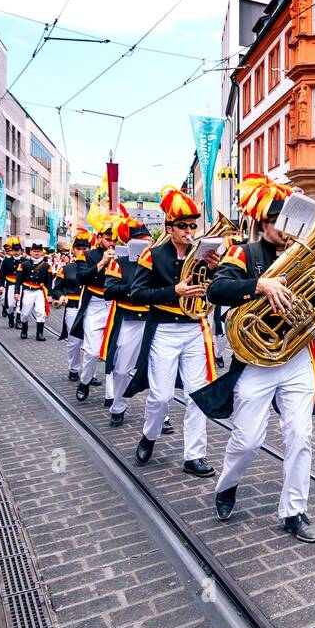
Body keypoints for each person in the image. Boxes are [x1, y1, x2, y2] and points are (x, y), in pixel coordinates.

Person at [193, 177, 315, 541]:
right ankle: (227, 486)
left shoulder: (307, 255)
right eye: (278, 221)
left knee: (300, 435)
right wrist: (258, 285)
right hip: (256, 361)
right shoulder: (245, 254)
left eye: (291, 222)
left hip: (296, 358)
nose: (286, 229)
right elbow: (217, 289)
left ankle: (295, 510)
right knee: (247, 441)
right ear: (262, 224)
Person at [125, 188, 217, 477]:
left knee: (197, 394)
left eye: (193, 225)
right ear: (169, 228)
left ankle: (194, 455)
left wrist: (215, 271)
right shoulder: (152, 256)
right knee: (161, 396)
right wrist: (173, 292)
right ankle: (149, 436)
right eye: (182, 226)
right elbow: (137, 293)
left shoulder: (201, 254)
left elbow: (214, 291)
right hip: (163, 329)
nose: (189, 231)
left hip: (194, 329)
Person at [99, 217, 155, 427]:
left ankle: (161, 417)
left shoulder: (158, 261)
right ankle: (118, 406)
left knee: (157, 371)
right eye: (139, 239)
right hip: (130, 319)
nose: (145, 243)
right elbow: (109, 290)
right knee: (121, 370)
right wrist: (133, 288)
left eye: (147, 239)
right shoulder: (119, 263)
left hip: (154, 320)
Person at [72, 216, 121, 404]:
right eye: (108, 239)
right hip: (94, 304)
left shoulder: (122, 255)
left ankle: (111, 395)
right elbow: (82, 277)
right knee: (92, 352)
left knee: (112, 352)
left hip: (114, 305)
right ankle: (84, 381)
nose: (112, 243)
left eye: (115, 239)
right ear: (100, 238)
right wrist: (102, 263)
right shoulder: (88, 255)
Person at [59, 231, 90, 380]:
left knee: (91, 344)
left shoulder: (96, 267)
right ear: (74, 250)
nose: (82, 251)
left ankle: (91, 374)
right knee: (74, 341)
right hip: (73, 307)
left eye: (85, 248)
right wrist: (60, 296)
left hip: (91, 308)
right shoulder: (66, 269)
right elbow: (56, 288)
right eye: (79, 248)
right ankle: (73, 369)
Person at [15, 242, 52, 340]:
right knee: (24, 313)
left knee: (40, 312)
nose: (36, 253)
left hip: (39, 291)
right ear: (30, 252)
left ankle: (39, 334)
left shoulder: (46, 266)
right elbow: (18, 280)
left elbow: (48, 282)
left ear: (42, 253)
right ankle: (24, 330)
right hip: (27, 291)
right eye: (34, 251)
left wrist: (50, 294)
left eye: (38, 251)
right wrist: (17, 292)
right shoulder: (24, 264)